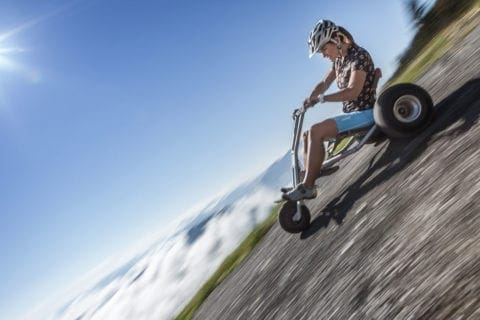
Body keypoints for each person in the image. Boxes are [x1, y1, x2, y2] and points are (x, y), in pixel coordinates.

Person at [282, 19, 377, 201]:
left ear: (336, 40)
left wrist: (323, 98)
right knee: (307, 135)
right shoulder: (340, 61)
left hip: (365, 113)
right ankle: (310, 174)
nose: (323, 55)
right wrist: (310, 100)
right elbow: (324, 83)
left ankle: (308, 186)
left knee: (316, 131)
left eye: (324, 49)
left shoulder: (359, 57)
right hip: (352, 115)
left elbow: (352, 92)